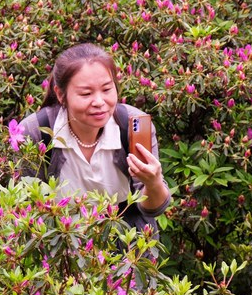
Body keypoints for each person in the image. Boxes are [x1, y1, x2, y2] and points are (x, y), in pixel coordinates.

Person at [18, 43, 170, 239]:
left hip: (127, 239)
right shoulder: (35, 131)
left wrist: (153, 182)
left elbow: (153, 209)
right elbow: (26, 207)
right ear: (61, 95)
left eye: (107, 89)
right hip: (61, 238)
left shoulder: (133, 124)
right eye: (86, 94)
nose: (99, 102)